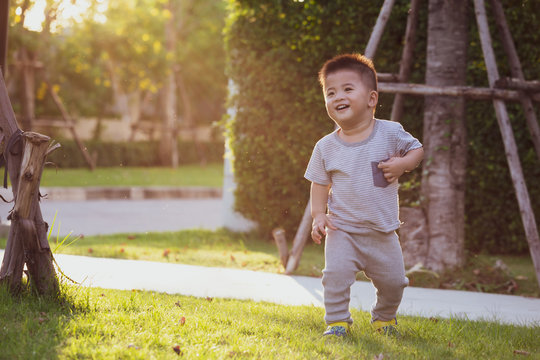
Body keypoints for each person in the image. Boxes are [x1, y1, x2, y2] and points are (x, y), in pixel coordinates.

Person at [304, 53, 424, 337]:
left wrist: (402, 165)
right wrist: (319, 215)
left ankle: (384, 318)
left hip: (383, 232)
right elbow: (319, 184)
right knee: (334, 277)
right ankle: (336, 322)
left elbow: (417, 149)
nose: (338, 97)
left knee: (395, 282)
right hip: (342, 229)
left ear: (371, 99)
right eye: (330, 92)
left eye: (347, 89)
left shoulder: (390, 133)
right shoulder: (325, 147)